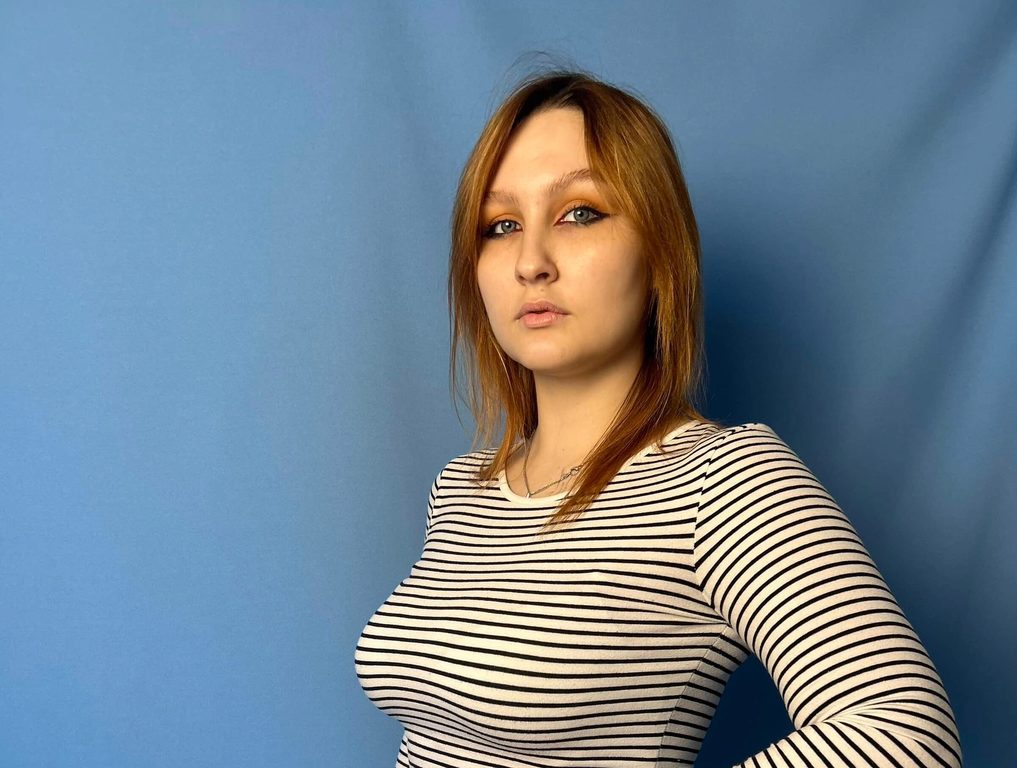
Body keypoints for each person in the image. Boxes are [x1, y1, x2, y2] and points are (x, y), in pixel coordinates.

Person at [355, 71, 962, 768]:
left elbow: (907, 736)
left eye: (580, 213)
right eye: (502, 226)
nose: (530, 262)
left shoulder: (720, 482)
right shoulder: (462, 490)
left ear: (659, 250)